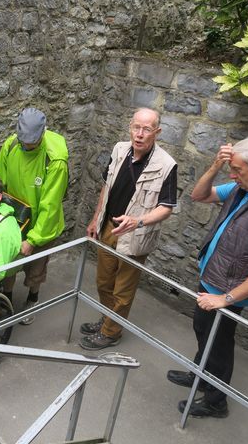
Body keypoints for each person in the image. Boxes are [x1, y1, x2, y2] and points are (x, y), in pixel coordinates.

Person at [167, 136, 248, 418]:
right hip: (214, 277)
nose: (232, 174)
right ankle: (201, 375)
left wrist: (224, 299)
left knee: (220, 343)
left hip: (228, 290)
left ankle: (216, 401)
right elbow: (199, 195)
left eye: (236, 169)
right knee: (203, 330)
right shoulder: (246, 187)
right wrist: (214, 165)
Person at [80, 108, 177, 350]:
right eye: (136, 127)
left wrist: (139, 221)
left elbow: (166, 207)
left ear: (157, 132)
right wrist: (95, 219)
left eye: (147, 129)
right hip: (109, 228)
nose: (140, 134)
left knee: (123, 289)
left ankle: (111, 332)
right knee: (103, 281)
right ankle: (106, 318)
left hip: (135, 235)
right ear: (130, 127)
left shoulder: (166, 165)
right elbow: (106, 185)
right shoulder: (119, 149)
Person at [0, 107, 69, 325]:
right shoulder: (12, 144)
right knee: (8, 261)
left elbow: (50, 205)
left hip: (42, 221)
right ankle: (5, 299)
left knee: (36, 266)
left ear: (43, 134)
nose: (27, 146)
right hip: (15, 215)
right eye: (23, 141)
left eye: (31, 143)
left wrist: (33, 240)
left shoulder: (55, 161)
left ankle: (32, 298)